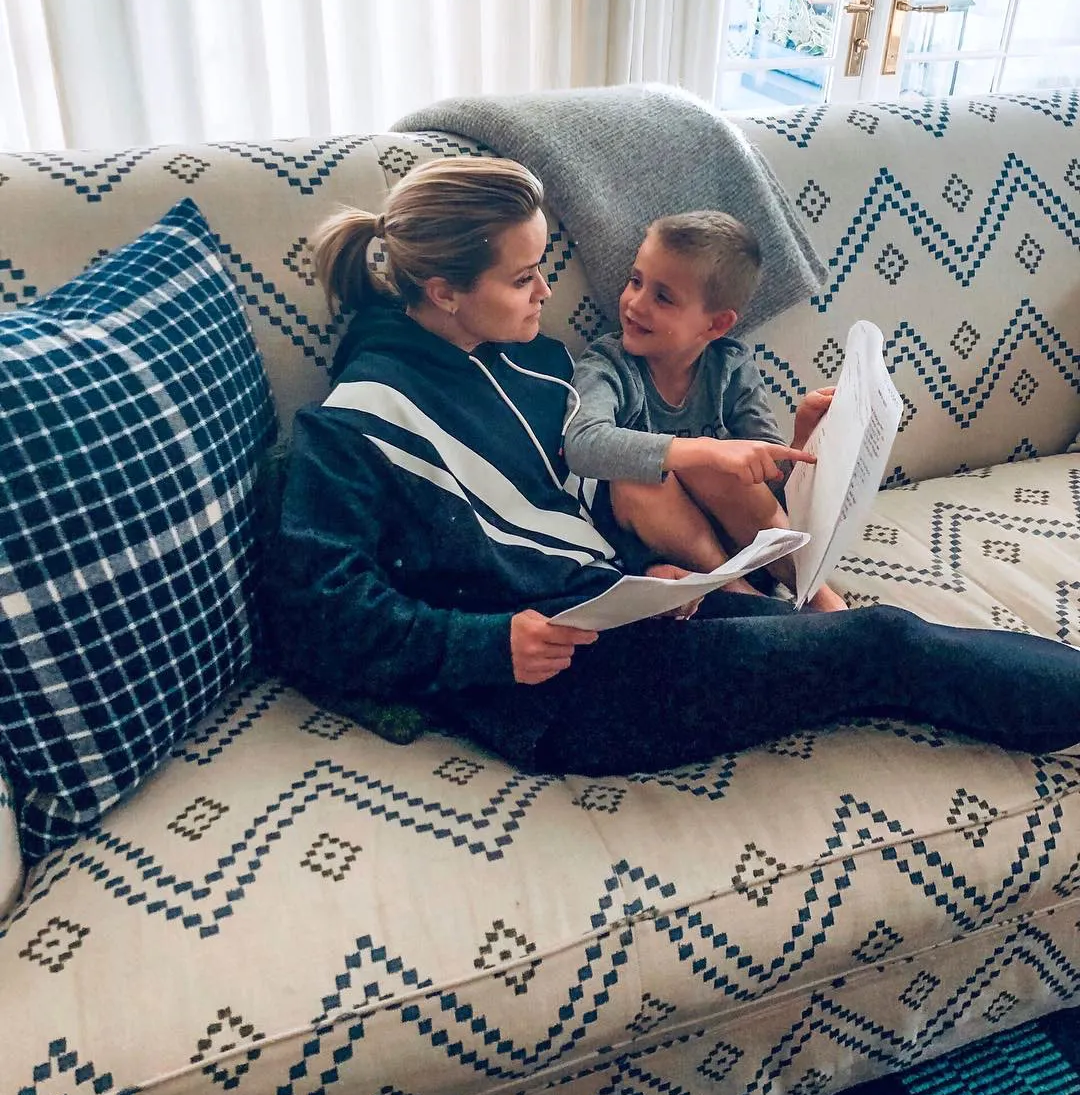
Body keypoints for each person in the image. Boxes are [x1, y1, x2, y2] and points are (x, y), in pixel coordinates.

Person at [277, 154, 1080, 776]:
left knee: (872, 640)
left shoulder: (528, 362)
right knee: (882, 647)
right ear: (444, 291)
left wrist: (648, 575)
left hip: (624, 616)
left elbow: (571, 507)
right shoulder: (355, 423)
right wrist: (485, 645)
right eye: (523, 278)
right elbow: (314, 613)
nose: (546, 291)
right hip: (566, 698)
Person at [562, 210, 847, 611]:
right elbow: (581, 444)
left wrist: (802, 437)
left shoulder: (731, 367)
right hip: (662, 555)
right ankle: (748, 603)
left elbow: (769, 483)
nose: (635, 304)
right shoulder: (607, 365)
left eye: (663, 297)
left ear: (716, 325)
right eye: (636, 281)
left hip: (747, 548)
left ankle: (819, 596)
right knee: (642, 475)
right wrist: (704, 450)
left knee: (723, 465)